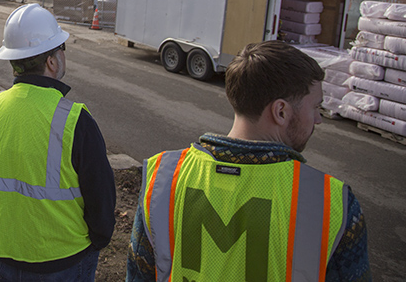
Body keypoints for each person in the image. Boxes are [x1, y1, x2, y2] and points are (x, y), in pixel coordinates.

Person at [126, 40, 371, 282]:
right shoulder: (331, 203)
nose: (318, 119)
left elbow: (140, 273)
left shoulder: (162, 177)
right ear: (281, 112)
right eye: (316, 107)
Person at [0, 3, 115, 281]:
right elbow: (101, 201)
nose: (63, 54)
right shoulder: (75, 120)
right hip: (63, 261)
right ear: (51, 61)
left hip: (2, 253)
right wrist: (96, 241)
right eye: (62, 48)